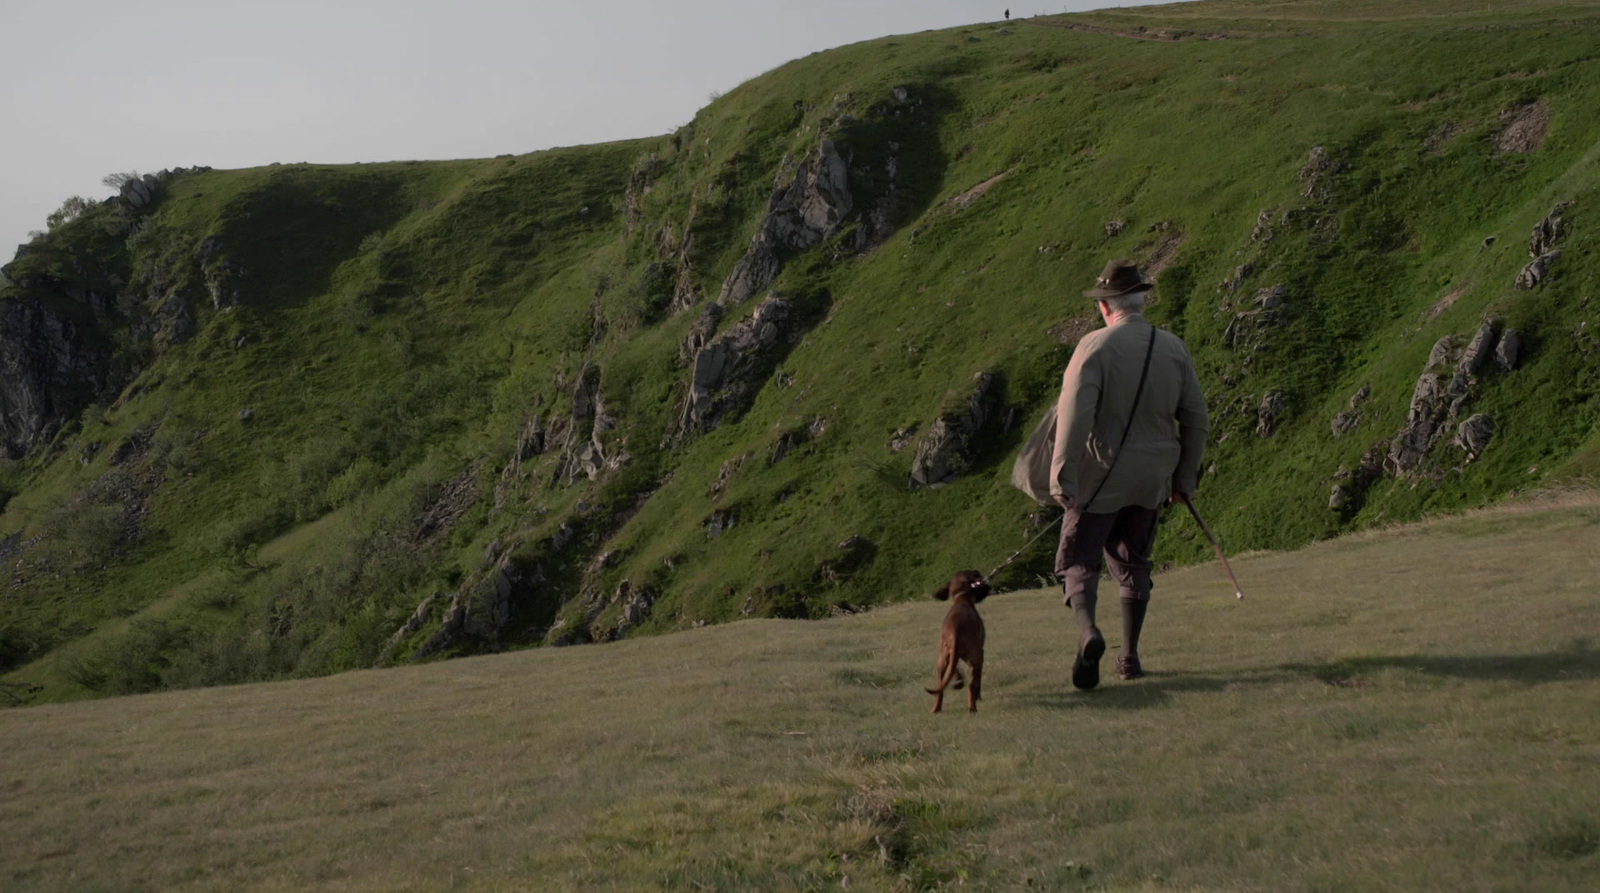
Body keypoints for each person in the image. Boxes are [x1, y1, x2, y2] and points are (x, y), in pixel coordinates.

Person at [1049, 258, 1208, 689]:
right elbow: (1196, 418)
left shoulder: (1094, 347)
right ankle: (1130, 658)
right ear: (1141, 301)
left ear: (1105, 306)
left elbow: (1074, 417)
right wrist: (1184, 478)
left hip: (1103, 474)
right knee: (1134, 562)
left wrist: (1062, 474)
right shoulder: (1173, 347)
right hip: (1153, 477)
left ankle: (1089, 634)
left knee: (1079, 559)